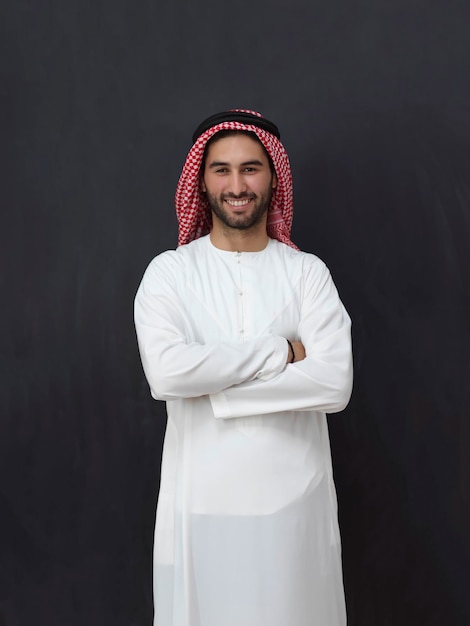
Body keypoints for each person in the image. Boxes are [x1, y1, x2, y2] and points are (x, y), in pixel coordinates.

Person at [134, 109, 353, 626]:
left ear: (273, 177)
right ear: (202, 180)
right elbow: (167, 374)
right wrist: (279, 351)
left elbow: (334, 382)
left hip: (294, 511)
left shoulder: (306, 274)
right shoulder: (170, 273)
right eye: (221, 169)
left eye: (251, 168)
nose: (237, 184)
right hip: (200, 509)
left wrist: (217, 390)